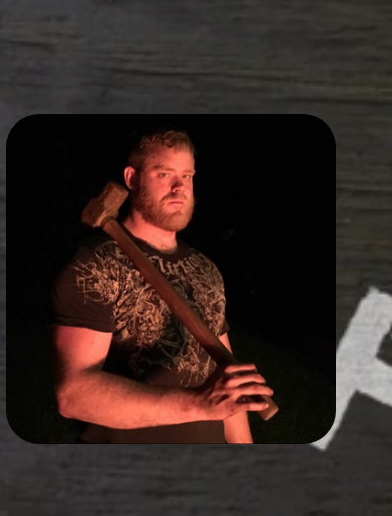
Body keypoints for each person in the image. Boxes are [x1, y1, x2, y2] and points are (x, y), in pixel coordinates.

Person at [48, 129, 271, 443]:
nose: (179, 186)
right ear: (132, 178)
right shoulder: (95, 264)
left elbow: (227, 378)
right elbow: (74, 395)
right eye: (164, 174)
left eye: (187, 175)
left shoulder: (206, 269)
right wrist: (198, 405)